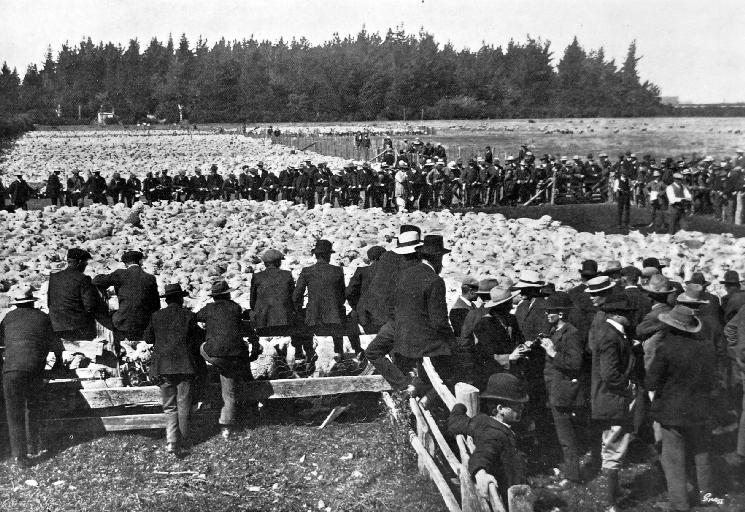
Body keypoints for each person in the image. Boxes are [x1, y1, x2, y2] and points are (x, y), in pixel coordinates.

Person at [646, 305, 719, 511]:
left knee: (674, 459)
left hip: (673, 411)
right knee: (702, 454)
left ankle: (679, 503)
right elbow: (714, 379)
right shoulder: (707, 347)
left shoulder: (666, 348)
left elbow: (651, 382)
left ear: (671, 326)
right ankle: (707, 496)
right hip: (701, 410)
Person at [390, 235, 456, 406]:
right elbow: (440, 321)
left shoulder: (404, 275)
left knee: (429, 371)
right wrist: (452, 341)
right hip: (423, 344)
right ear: (437, 258)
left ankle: (411, 393)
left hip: (402, 340)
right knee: (453, 367)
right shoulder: (435, 281)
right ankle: (426, 403)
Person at [587, 293, 637, 512]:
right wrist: (627, 386)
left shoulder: (610, 333)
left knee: (612, 446)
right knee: (614, 449)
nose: (631, 318)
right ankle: (610, 502)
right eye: (627, 314)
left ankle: (611, 496)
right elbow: (610, 374)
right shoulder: (611, 336)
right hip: (613, 398)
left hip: (609, 398)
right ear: (617, 315)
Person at [448, 373, 529, 504]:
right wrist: (480, 474)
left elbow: (455, 423)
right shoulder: (496, 435)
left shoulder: (482, 420)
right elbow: (483, 454)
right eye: (517, 405)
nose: (522, 408)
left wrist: (460, 407)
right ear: (500, 409)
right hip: (511, 496)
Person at [143, 284, 205, 454]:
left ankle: (171, 441)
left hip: (163, 367)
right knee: (184, 404)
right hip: (185, 366)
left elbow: (148, 338)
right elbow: (199, 338)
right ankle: (184, 440)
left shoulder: (156, 316)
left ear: (167, 300)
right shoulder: (189, 316)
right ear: (181, 298)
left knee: (169, 406)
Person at [0, 286, 57, 467]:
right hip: (34, 368)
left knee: (13, 412)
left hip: (11, 369)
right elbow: (50, 340)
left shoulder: (8, 318)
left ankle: (20, 456)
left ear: (16, 303)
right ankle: (34, 445)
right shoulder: (42, 317)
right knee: (32, 406)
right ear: (32, 301)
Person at [198, 280, 261, 439]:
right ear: (228, 294)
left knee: (202, 348)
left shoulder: (208, 309)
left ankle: (209, 372)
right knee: (229, 391)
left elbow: (197, 316)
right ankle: (227, 427)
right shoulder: (235, 307)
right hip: (235, 355)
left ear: (213, 297)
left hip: (214, 354)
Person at [539, 292, 585, 484]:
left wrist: (551, 351)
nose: (548, 314)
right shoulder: (555, 331)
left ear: (561, 313)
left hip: (563, 391)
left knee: (567, 437)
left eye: (552, 311)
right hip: (555, 388)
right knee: (563, 434)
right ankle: (570, 471)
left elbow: (575, 363)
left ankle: (573, 477)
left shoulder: (571, 333)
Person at [293, 239, 362, 362]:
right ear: (329, 255)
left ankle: (308, 353)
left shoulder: (306, 271)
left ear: (315, 255)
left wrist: (298, 309)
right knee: (339, 312)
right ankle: (341, 351)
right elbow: (342, 295)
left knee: (301, 320)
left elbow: (297, 295)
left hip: (313, 318)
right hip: (335, 318)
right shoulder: (337, 271)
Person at [250, 249, 313, 369]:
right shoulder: (287, 275)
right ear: (278, 262)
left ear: (264, 263)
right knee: (301, 320)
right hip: (285, 323)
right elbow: (293, 299)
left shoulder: (256, 277)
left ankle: (255, 350)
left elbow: (252, 301)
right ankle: (300, 353)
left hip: (262, 325)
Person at [47, 248, 103, 367]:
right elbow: (90, 306)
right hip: (77, 327)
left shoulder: (54, 277)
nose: (86, 265)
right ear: (78, 262)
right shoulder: (83, 279)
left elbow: (49, 302)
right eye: (85, 262)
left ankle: (59, 362)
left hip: (56, 326)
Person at [92, 250, 160, 343]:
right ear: (140, 261)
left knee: (111, 315)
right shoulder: (150, 278)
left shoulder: (120, 274)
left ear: (125, 264)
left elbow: (97, 281)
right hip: (144, 322)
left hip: (124, 321)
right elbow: (156, 305)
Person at [472, 287, 526, 391]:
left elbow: (519, 339)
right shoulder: (484, 324)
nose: (512, 306)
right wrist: (509, 358)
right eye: (509, 303)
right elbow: (484, 356)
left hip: (512, 373)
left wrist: (523, 347)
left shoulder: (512, 319)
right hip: (493, 375)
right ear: (501, 306)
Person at [346, 245, 385, 336]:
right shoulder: (392, 272)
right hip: (387, 319)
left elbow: (349, 293)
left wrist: (357, 306)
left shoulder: (362, 271)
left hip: (365, 317)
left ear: (370, 258)